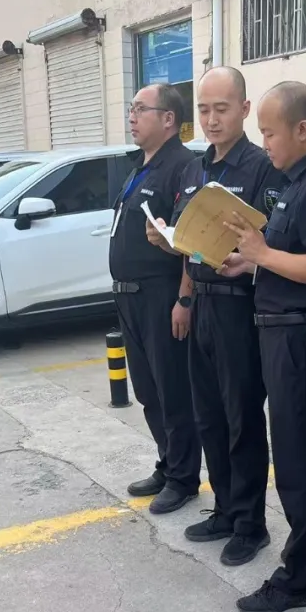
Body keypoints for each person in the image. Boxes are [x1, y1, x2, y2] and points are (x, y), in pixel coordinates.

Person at [222, 81, 306, 612]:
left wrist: (261, 253)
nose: (266, 144)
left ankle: (297, 578)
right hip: (284, 330)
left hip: (301, 338)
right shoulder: (299, 180)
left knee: (301, 459)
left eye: (270, 133)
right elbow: (291, 257)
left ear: (302, 129)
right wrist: (252, 262)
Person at [146, 66, 284, 566]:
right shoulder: (194, 169)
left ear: (244, 109)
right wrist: (175, 265)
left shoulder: (261, 168)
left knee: (241, 416)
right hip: (201, 300)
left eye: (221, 109)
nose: (211, 119)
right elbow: (192, 244)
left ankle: (251, 524)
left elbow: (271, 241)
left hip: (238, 306)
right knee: (208, 415)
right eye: (203, 110)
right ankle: (225, 508)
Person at [114, 83, 203, 514]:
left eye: (140, 109)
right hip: (130, 298)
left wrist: (184, 298)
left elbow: (190, 240)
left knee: (172, 391)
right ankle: (167, 464)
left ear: (168, 119)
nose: (131, 117)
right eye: (131, 109)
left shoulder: (183, 167)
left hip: (161, 295)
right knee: (148, 390)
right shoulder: (140, 167)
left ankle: (184, 477)